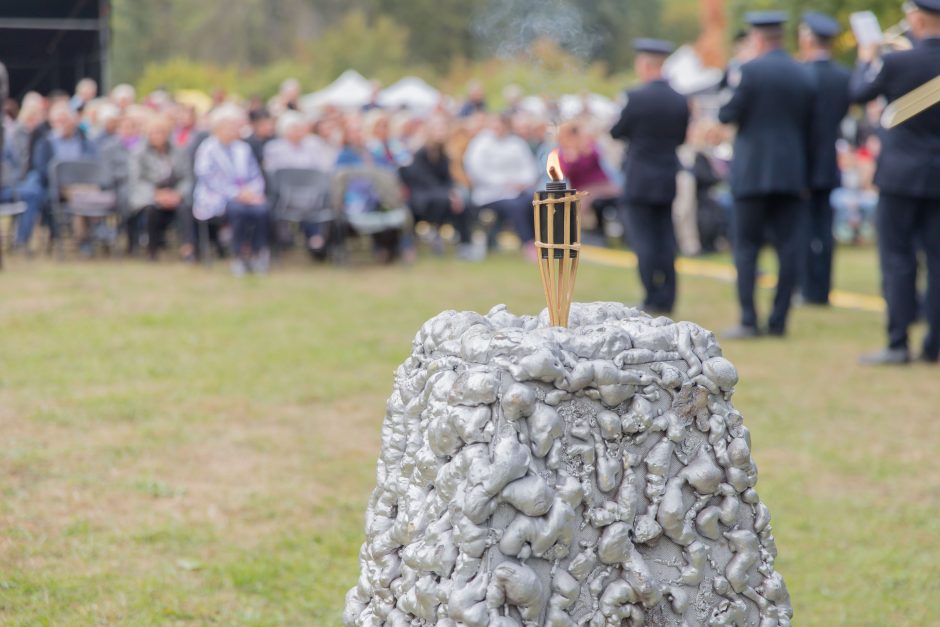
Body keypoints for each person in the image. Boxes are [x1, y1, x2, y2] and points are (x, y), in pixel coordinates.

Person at [851, 0, 940, 365]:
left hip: (900, 174)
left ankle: (898, 343)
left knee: (897, 259)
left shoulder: (896, 60)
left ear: (917, 18)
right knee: (937, 260)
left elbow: (858, 93)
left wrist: (865, 56)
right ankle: (934, 345)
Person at [718, 11, 816, 338]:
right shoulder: (803, 74)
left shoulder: (747, 70)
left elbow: (726, 112)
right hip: (791, 175)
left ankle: (749, 319)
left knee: (746, 248)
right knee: (789, 249)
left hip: (752, 173)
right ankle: (779, 320)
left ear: (757, 39)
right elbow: (813, 131)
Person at [610, 39, 690, 315]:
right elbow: (680, 138)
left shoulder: (635, 97)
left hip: (639, 178)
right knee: (666, 238)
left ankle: (651, 296)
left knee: (643, 240)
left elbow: (617, 131)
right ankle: (668, 297)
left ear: (644, 65)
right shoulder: (680, 100)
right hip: (667, 176)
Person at [799, 12, 851, 306]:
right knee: (825, 230)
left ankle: (808, 289)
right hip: (827, 160)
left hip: (803, 162)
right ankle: (823, 289)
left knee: (804, 229)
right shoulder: (843, 76)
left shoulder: (802, 73)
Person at [193, 105, 270, 276]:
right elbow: (208, 178)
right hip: (217, 196)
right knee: (238, 210)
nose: (235, 130)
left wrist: (252, 193)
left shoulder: (242, 148)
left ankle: (258, 253)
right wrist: (236, 193)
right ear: (218, 127)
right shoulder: (207, 149)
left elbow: (255, 175)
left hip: (246, 196)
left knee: (262, 210)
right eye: (231, 126)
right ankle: (239, 255)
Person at [399, 116, 475, 259]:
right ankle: (434, 236)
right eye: (437, 129)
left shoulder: (444, 154)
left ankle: (465, 244)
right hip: (422, 196)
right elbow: (424, 181)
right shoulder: (420, 153)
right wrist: (449, 195)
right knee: (446, 201)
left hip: (440, 194)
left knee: (462, 203)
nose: (440, 133)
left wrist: (453, 194)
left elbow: (448, 179)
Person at [463, 113, 538, 255]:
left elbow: (530, 169)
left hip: (518, 191)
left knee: (534, 202)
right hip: (490, 195)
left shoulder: (517, 143)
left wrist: (521, 182)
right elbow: (476, 170)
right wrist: (504, 183)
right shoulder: (480, 143)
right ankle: (528, 243)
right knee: (515, 206)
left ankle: (540, 241)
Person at [129, 114, 191, 260]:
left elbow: (187, 177)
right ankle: (152, 250)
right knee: (152, 211)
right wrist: (156, 194)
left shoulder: (179, 152)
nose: (157, 136)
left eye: (160, 132)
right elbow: (137, 180)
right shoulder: (139, 153)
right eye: (153, 132)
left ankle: (188, 248)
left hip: (175, 193)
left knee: (185, 209)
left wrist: (178, 194)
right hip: (151, 196)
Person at [2, 98, 45, 251]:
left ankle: (21, 240)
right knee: (33, 191)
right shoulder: (14, 136)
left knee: (34, 190)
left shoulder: (6, 142)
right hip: (6, 187)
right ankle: (21, 240)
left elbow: (14, 165)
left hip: (8, 187)